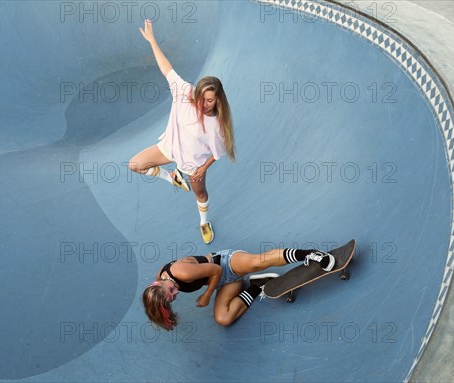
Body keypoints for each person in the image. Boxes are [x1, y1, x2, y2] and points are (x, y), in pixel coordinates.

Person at [128, 19, 235, 244]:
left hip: (192, 164)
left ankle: (203, 222)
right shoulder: (184, 92)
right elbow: (166, 67)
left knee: (200, 194)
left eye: (210, 101)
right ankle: (173, 178)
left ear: (217, 102)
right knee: (135, 165)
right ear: (197, 93)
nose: (205, 104)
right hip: (168, 148)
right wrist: (152, 41)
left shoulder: (215, 125)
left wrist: (201, 170)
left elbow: (217, 154)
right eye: (203, 98)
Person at [142, 246, 336, 330]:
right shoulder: (160, 284)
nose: (176, 293)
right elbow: (157, 302)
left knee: (259, 262)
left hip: (225, 264)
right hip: (222, 283)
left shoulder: (181, 273)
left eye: (172, 291)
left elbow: (217, 270)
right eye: (172, 298)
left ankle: (311, 254)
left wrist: (207, 295)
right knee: (223, 319)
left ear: (160, 284)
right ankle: (258, 285)